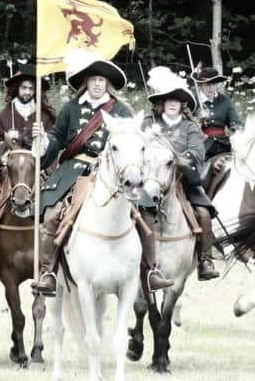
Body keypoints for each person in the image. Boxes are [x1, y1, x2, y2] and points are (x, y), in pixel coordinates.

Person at [30, 50, 173, 296]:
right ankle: (48, 273)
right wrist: (43, 141)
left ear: (107, 83)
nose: (97, 84)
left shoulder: (122, 110)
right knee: (53, 214)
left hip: (115, 172)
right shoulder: (71, 108)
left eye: (101, 80)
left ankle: (151, 270)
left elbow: (135, 142)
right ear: (86, 81)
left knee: (145, 210)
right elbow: (58, 138)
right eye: (93, 79)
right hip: (74, 170)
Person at [0, 64, 57, 272]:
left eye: (31, 88)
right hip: (10, 170)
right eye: (24, 88)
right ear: (16, 90)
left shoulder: (46, 116)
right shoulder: (3, 115)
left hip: (39, 170)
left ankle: (59, 248)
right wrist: (6, 147)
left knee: (58, 203)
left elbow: (56, 145)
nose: (27, 92)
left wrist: (43, 138)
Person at [142, 66, 220, 281]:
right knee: (133, 210)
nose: (173, 104)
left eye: (177, 100)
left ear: (183, 105)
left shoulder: (190, 128)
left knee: (204, 213)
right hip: (151, 179)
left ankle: (205, 259)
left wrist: (173, 156)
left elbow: (197, 155)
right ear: (162, 103)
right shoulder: (148, 123)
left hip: (182, 180)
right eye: (169, 100)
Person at [191, 66, 242, 160]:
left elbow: (236, 123)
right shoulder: (193, 102)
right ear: (200, 85)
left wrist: (236, 133)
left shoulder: (225, 100)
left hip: (225, 145)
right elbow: (187, 126)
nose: (211, 88)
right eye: (207, 85)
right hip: (202, 147)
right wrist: (197, 123)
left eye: (213, 84)